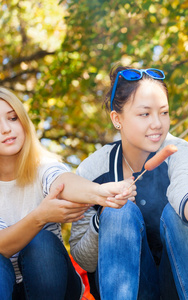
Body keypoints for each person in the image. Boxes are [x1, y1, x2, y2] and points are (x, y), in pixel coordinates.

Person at [69, 66, 188, 300]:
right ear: (117, 119)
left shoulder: (179, 151)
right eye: (145, 114)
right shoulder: (92, 170)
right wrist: (103, 213)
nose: (157, 124)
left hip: (186, 281)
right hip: (132, 287)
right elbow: (83, 259)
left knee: (179, 214)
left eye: (163, 112)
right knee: (116, 212)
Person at [0, 87, 135, 300]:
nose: (6, 129)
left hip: (54, 284)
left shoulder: (42, 166)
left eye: (13, 117)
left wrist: (99, 192)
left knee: (41, 242)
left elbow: (63, 182)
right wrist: (40, 216)